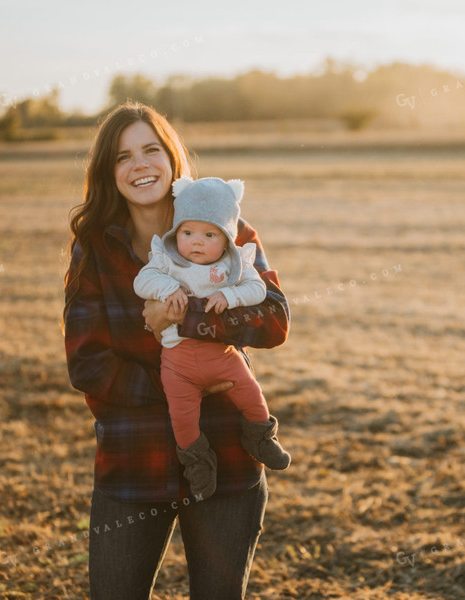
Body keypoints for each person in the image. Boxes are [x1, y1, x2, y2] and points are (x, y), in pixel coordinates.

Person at [63, 102, 290, 600]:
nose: (139, 165)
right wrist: (179, 390)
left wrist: (183, 319)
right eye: (123, 157)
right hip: (133, 459)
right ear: (109, 171)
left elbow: (273, 321)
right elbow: (88, 363)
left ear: (172, 160)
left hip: (228, 456)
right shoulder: (96, 247)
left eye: (150, 150)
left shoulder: (224, 228)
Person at [133, 175, 290, 501]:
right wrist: (167, 289)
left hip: (222, 356)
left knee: (250, 392)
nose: (197, 242)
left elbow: (258, 289)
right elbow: (143, 281)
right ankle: (198, 463)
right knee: (183, 416)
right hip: (178, 361)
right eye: (188, 233)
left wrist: (230, 297)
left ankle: (260, 437)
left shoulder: (234, 265)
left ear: (227, 239)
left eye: (209, 234)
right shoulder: (169, 260)